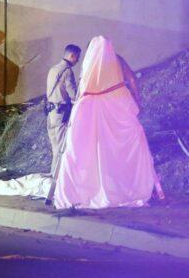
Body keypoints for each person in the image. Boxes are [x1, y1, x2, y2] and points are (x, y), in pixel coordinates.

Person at [54, 36, 163, 209]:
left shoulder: (90, 61)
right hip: (118, 104)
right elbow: (132, 79)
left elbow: (82, 87)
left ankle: (92, 190)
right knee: (128, 148)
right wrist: (137, 100)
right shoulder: (116, 59)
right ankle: (131, 188)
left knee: (94, 151)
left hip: (91, 109)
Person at [45, 44, 81, 176]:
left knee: (55, 148)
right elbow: (73, 95)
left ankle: (53, 176)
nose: (77, 61)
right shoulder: (67, 71)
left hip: (50, 113)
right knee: (61, 149)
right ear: (72, 56)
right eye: (77, 57)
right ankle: (58, 181)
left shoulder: (53, 69)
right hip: (60, 114)